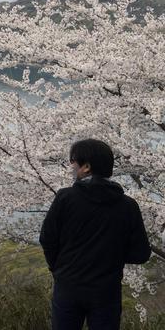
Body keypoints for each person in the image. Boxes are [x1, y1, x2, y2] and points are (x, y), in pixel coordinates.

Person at [40, 139, 152, 330]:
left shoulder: (66, 198)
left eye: (73, 161)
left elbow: (47, 239)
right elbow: (141, 254)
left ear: (86, 167)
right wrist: (111, 256)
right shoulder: (128, 206)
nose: (71, 166)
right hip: (107, 290)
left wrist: (59, 269)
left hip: (68, 286)